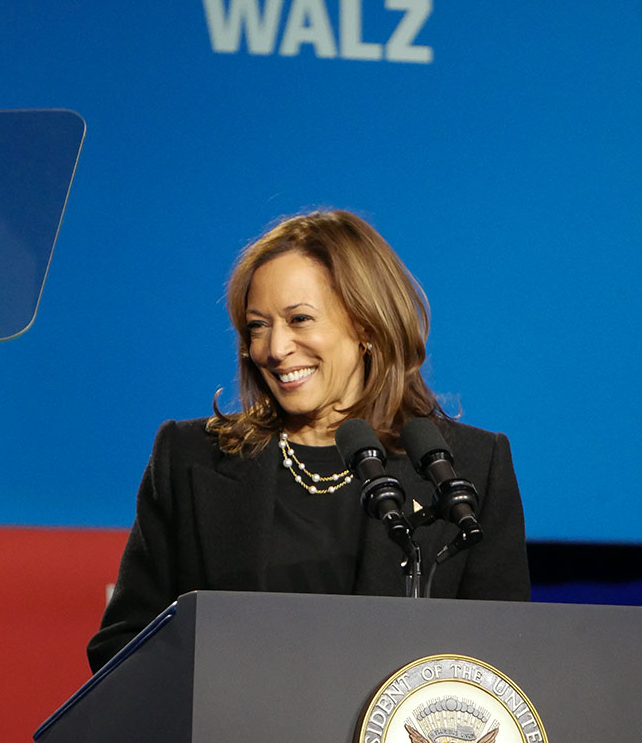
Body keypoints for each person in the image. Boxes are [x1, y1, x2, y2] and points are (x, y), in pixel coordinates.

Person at [87, 210, 530, 672]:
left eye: (299, 319)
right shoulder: (189, 457)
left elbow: (505, 663)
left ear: (366, 326)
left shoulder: (471, 467)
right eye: (258, 325)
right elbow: (121, 648)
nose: (274, 348)